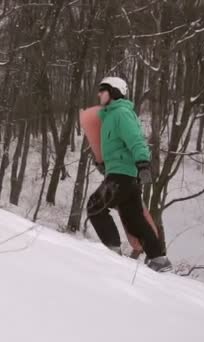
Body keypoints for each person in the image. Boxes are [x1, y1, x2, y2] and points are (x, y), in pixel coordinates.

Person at [80, 76, 172, 272]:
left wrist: (143, 163)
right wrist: (104, 165)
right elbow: (116, 147)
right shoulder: (109, 116)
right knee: (134, 220)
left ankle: (112, 252)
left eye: (103, 90)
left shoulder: (121, 113)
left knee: (95, 206)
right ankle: (158, 259)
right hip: (123, 174)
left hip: (123, 174)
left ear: (114, 92)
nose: (99, 94)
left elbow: (135, 139)